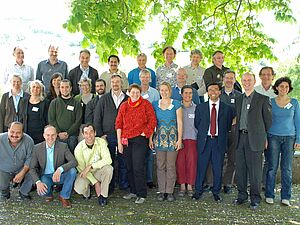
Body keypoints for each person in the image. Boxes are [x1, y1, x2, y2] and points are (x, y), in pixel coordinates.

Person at [234, 72, 272, 210]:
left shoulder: (263, 99)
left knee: (255, 171)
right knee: (241, 170)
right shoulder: (239, 99)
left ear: (254, 81)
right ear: (242, 82)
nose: (246, 82)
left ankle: (255, 198)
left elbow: (268, 121)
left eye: (249, 80)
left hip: (255, 139)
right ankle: (242, 195)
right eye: (244, 80)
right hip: (240, 138)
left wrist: (264, 137)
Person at [192, 83, 234, 202]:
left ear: (220, 91)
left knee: (217, 168)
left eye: (216, 89)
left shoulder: (227, 108)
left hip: (218, 141)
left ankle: (216, 192)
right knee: (201, 167)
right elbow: (197, 124)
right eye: (210, 90)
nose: (213, 91)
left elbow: (228, 125)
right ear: (207, 92)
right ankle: (198, 191)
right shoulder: (200, 107)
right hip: (204, 141)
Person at [116, 84, 157, 204]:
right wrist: (119, 142)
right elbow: (118, 124)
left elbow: (152, 120)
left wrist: (146, 132)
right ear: (129, 93)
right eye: (133, 92)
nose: (135, 95)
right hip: (126, 140)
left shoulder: (146, 104)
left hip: (140, 139)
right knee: (129, 166)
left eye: (137, 93)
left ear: (140, 93)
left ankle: (141, 193)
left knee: (138, 166)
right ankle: (133, 191)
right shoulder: (124, 106)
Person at [265, 77, 300, 206]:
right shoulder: (270, 102)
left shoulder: (295, 102)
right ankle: (269, 194)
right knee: (272, 167)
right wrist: (265, 138)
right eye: (281, 86)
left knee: (287, 169)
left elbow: (298, 121)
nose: (283, 89)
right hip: (273, 137)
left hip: (289, 138)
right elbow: (266, 121)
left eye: (286, 86)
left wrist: (299, 139)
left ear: (289, 88)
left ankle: (285, 196)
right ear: (276, 88)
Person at [94, 75, 129, 192]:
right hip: (107, 136)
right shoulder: (104, 99)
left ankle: (123, 185)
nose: (115, 84)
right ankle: (110, 186)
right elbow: (97, 118)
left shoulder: (128, 99)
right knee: (109, 162)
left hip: (124, 136)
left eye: (117, 82)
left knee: (123, 161)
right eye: (113, 82)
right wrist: (100, 135)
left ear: (121, 83)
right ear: (110, 83)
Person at [29, 125, 77, 208]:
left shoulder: (63, 146)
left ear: (56, 135)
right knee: (42, 192)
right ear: (44, 135)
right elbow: (32, 168)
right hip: (46, 176)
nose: (50, 137)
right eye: (48, 135)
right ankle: (49, 194)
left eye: (53, 135)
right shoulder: (37, 148)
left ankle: (64, 196)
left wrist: (60, 169)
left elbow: (74, 162)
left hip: (59, 176)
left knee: (73, 171)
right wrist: (38, 182)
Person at [151, 82, 183, 202]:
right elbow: (152, 123)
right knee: (160, 165)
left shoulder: (176, 104)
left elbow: (180, 122)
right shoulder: (155, 104)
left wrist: (179, 139)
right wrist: (151, 138)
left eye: (166, 90)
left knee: (170, 165)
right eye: (162, 90)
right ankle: (162, 190)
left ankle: (169, 191)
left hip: (172, 139)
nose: (164, 92)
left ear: (170, 91)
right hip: (159, 138)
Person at [74, 123, 113, 206]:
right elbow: (81, 169)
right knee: (79, 189)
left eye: (91, 132)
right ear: (83, 135)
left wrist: (91, 166)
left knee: (109, 169)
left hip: (98, 171)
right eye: (86, 133)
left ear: (95, 133)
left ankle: (103, 195)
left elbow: (108, 160)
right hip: (86, 174)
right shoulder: (78, 148)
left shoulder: (101, 142)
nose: (89, 135)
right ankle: (87, 193)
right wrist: (95, 182)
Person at [254, 66, 277, 189]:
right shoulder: (254, 90)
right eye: (263, 74)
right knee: (255, 158)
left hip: (273, 130)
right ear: (260, 76)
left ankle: (265, 184)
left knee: (270, 159)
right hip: (257, 130)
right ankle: (254, 183)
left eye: (269, 74)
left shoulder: (277, 91)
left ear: (273, 76)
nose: (266, 76)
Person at [220, 70, 242, 194]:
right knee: (218, 157)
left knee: (232, 158)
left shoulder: (239, 95)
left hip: (234, 130)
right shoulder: (217, 93)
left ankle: (227, 183)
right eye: (227, 78)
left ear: (234, 80)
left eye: (231, 78)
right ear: (223, 79)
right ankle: (214, 182)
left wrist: (236, 119)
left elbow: (242, 112)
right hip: (220, 130)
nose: (229, 80)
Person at [0, 122, 34, 201]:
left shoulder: (29, 141)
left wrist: (22, 173)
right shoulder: (0, 139)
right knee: (3, 185)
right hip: (3, 170)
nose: (14, 135)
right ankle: (5, 193)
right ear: (8, 130)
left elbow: (30, 158)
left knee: (33, 172)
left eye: (18, 133)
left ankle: (24, 192)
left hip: (21, 168)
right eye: (12, 132)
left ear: (23, 133)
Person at [48, 79, 82, 153]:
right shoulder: (54, 103)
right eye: (62, 87)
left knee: (72, 158)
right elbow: (51, 119)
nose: (64, 89)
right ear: (59, 88)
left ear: (70, 88)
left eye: (67, 87)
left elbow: (78, 120)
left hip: (72, 137)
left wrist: (68, 133)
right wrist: (59, 133)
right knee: (59, 158)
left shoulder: (76, 103)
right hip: (57, 136)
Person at [176, 85, 198, 197]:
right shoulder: (177, 107)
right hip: (180, 139)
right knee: (180, 163)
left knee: (191, 163)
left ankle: (190, 184)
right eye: (186, 93)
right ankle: (182, 185)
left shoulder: (197, 108)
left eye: (190, 93)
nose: (188, 95)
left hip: (192, 139)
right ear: (182, 94)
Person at [139, 69, 160, 188]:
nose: (145, 79)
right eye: (143, 77)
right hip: (138, 127)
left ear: (150, 79)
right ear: (140, 78)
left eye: (147, 77)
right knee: (140, 156)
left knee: (150, 154)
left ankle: (149, 179)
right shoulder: (136, 92)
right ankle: (141, 179)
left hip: (151, 126)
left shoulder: (155, 93)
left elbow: (156, 109)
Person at [24, 80, 49, 144]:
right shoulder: (24, 101)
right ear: (30, 89)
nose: (35, 89)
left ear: (41, 90)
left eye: (38, 87)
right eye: (33, 87)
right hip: (27, 132)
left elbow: (47, 119)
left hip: (40, 133)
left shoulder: (45, 102)